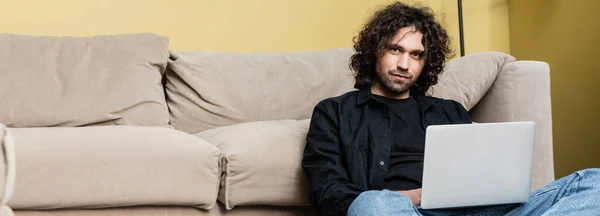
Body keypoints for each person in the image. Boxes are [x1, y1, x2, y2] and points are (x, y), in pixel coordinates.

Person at [301, 2, 600, 216]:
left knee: (593, 181)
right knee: (371, 206)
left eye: (416, 55)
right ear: (375, 50)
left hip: (479, 211)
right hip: (402, 211)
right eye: (396, 50)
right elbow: (327, 192)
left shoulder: (450, 112)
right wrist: (414, 197)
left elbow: (482, 173)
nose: (404, 64)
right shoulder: (334, 113)